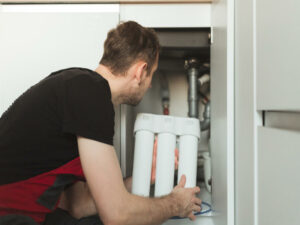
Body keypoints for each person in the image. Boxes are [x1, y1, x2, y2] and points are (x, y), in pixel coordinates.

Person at [0, 21, 201, 225]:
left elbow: (78, 205)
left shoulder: (79, 90)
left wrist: (143, 175)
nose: (149, 86)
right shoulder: (91, 93)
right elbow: (117, 216)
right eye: (152, 74)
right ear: (140, 71)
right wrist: (175, 204)